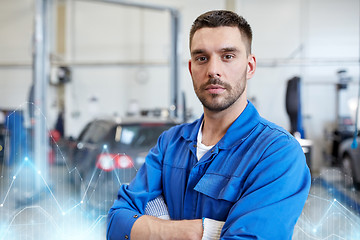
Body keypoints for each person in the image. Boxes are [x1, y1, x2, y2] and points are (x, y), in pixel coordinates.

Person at [107, 10, 311, 240]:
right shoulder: (170, 143)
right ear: (191, 68)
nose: (213, 70)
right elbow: (116, 223)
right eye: (202, 58)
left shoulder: (277, 152)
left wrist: (153, 226)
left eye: (228, 56)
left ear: (250, 66)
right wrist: (199, 231)